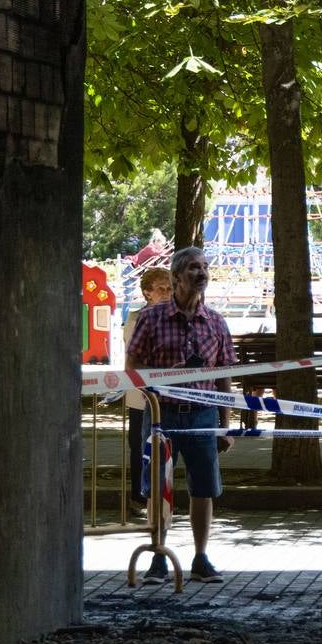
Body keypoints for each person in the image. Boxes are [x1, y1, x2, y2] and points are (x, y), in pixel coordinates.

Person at [125, 247, 237, 583]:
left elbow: (223, 376)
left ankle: (201, 558)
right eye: (192, 268)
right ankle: (158, 557)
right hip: (162, 414)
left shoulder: (216, 322)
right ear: (176, 277)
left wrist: (225, 425)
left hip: (203, 416)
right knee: (159, 487)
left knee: (204, 487)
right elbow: (132, 368)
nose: (201, 273)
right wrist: (162, 378)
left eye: (204, 267)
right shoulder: (151, 319)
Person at [122, 266, 172, 512]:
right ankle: (138, 497)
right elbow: (137, 356)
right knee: (141, 446)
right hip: (141, 395)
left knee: (164, 445)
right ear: (147, 293)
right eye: (161, 289)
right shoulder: (136, 318)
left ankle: (159, 496)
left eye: (170, 288)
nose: (166, 293)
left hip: (168, 395)